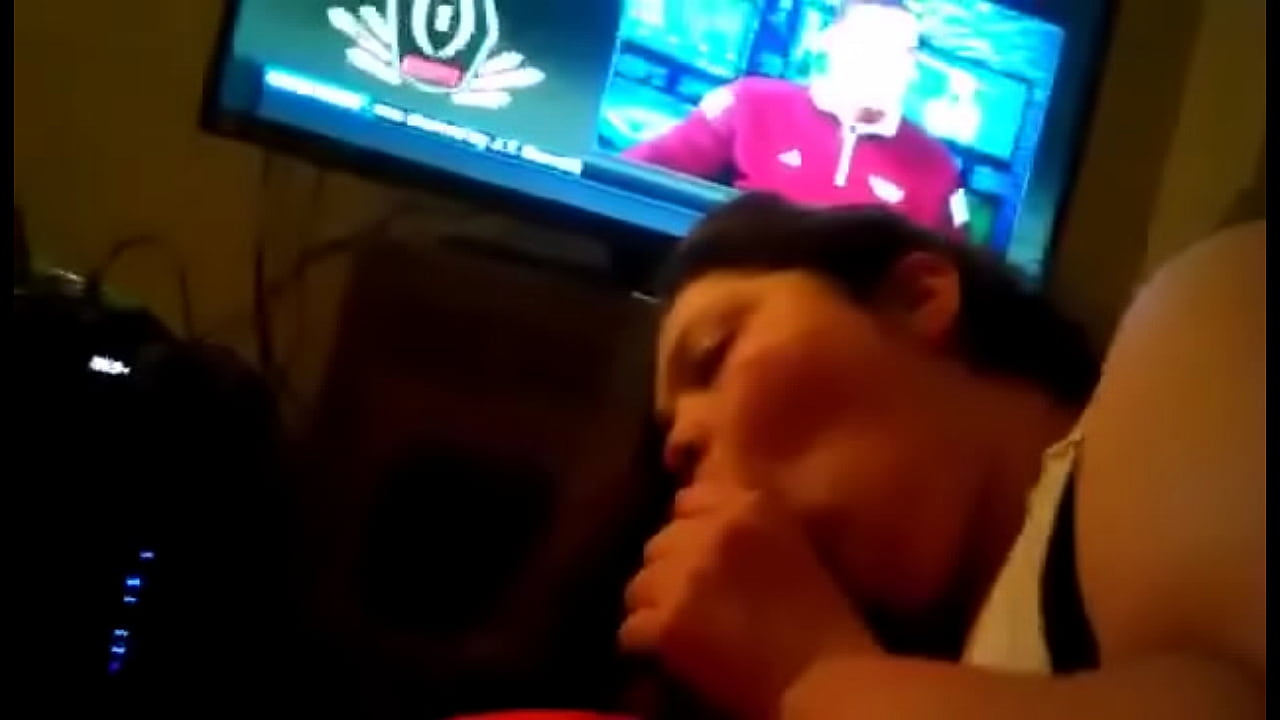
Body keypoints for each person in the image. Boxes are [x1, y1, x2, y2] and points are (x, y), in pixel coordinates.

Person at [621, 194, 1265, 719]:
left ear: (918, 297)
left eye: (713, 353)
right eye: (672, 442)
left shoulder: (1205, 322)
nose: (679, 445)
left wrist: (811, 673)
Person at [622, 0, 967, 239]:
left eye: (902, 53)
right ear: (830, 43)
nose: (884, 65)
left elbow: (955, 278)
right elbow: (627, 177)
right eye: (870, 46)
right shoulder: (750, 103)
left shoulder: (936, 167)